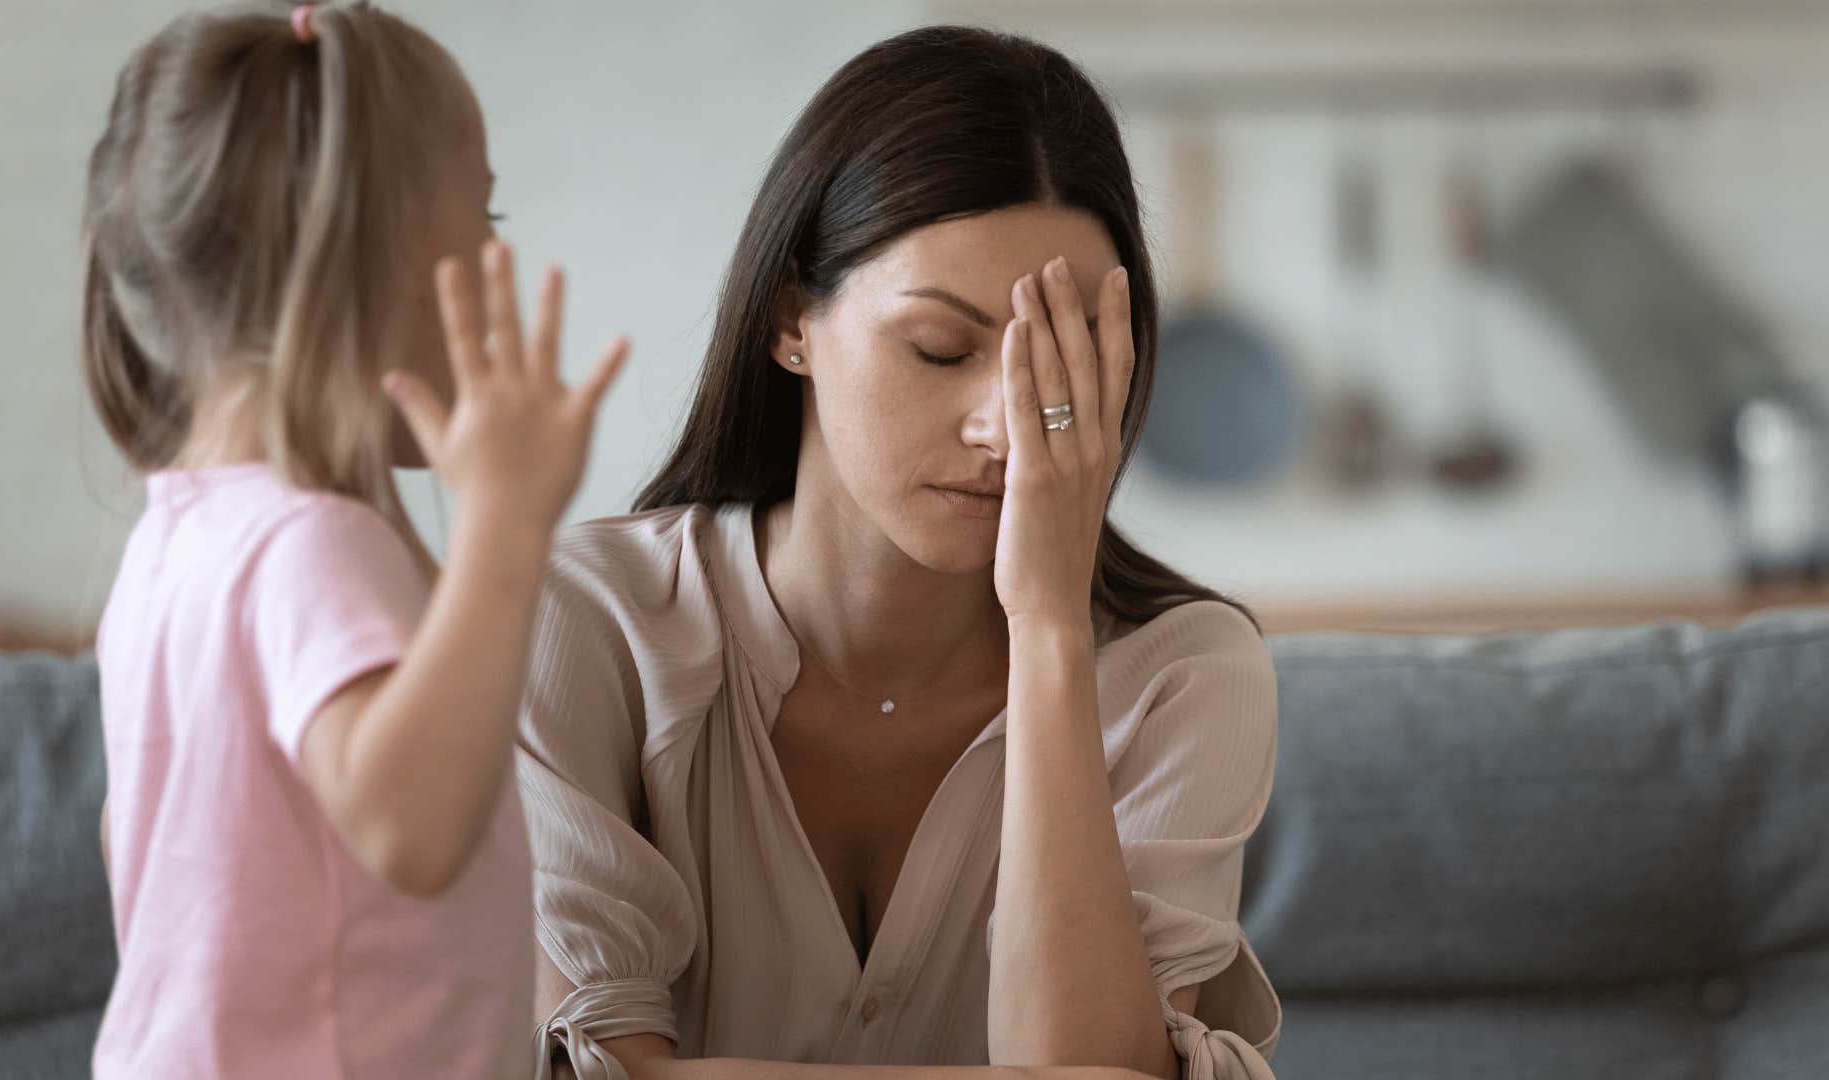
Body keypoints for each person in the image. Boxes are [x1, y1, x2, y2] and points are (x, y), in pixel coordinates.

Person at [517, 25, 1280, 1080]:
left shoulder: (1188, 673)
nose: (1005, 427)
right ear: (793, 319)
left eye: (1060, 362)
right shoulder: (583, 623)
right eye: (941, 349)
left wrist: (1050, 629)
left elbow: (1086, 1063)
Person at [82, 3, 625, 1075]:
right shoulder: (310, 546)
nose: (494, 256)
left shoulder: (176, 541)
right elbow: (413, 828)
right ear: (372, 256)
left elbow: (133, 839)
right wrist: (505, 528)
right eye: (484, 216)